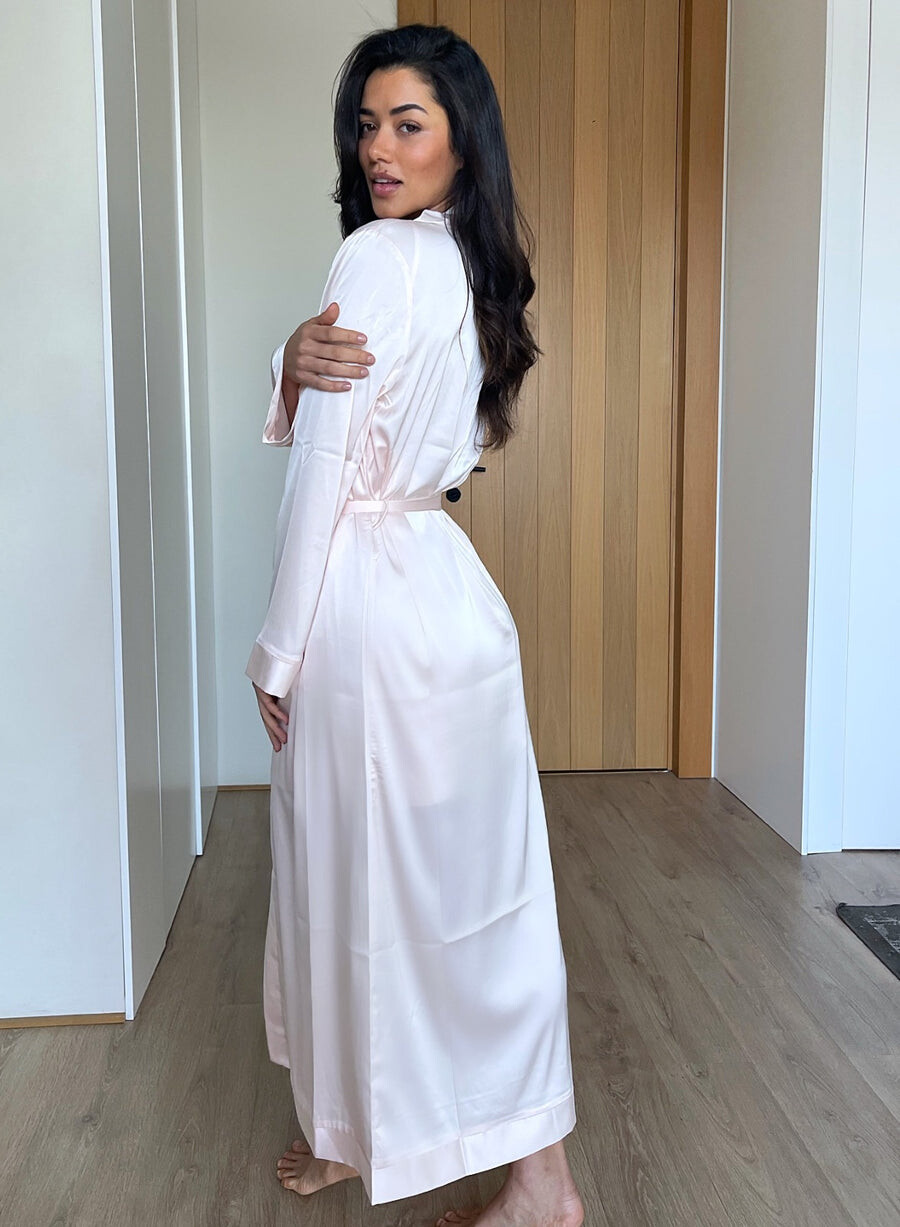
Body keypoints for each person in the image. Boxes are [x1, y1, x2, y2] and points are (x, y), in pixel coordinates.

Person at [245, 23, 584, 1227]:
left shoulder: (373, 255)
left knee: (357, 886)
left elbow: (324, 476)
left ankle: (446, 1155)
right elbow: (426, 432)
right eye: (367, 125)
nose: (378, 149)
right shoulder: (463, 266)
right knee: (474, 897)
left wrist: (277, 650)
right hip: (448, 590)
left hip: (368, 609)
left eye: (408, 125)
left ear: (459, 143)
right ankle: (499, 1167)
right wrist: (288, 362)